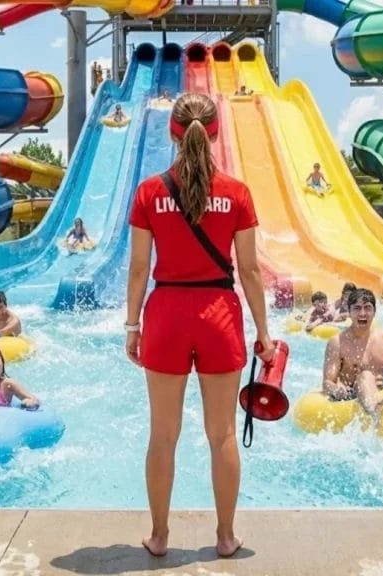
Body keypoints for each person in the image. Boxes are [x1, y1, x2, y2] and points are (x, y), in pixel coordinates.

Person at [125, 92, 274, 558]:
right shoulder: (236, 193)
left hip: (167, 312)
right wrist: (264, 333)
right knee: (223, 434)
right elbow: (249, 270)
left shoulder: (150, 191)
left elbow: (137, 267)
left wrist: (132, 326)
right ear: (215, 133)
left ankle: (160, 535)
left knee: (162, 434)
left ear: (173, 132)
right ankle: (226, 536)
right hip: (218, 314)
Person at [321, 288, 383, 424]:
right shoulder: (337, 342)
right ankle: (374, 411)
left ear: (374, 312)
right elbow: (327, 382)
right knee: (366, 376)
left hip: (380, 391)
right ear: (349, 312)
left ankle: (377, 406)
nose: (362, 313)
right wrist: (336, 390)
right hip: (352, 395)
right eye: (357, 308)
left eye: (367, 308)